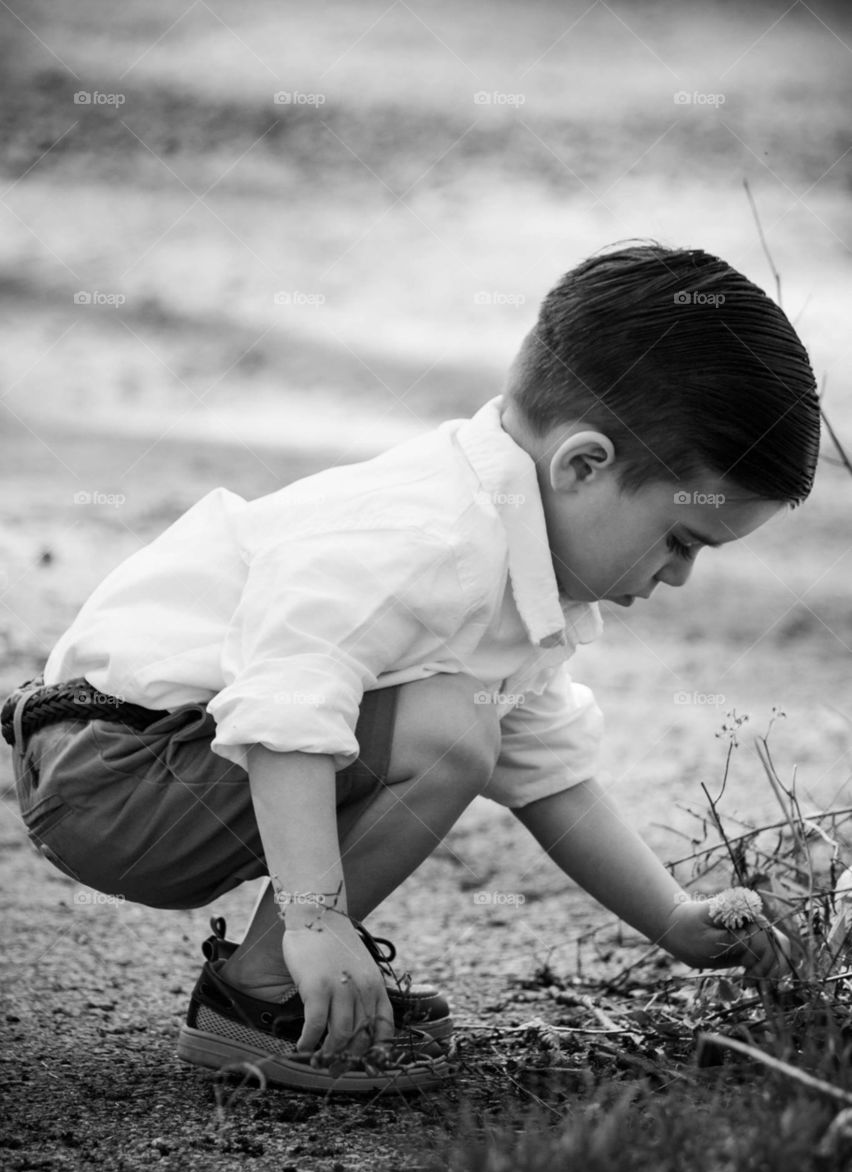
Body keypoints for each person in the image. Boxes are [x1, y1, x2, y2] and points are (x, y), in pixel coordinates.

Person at [3, 243, 817, 1094]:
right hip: (115, 767)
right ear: (583, 465)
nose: (681, 576)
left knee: (464, 722)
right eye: (681, 540)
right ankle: (261, 992)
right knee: (449, 729)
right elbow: (286, 704)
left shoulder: (515, 563)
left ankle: (266, 979)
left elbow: (553, 779)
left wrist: (676, 922)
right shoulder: (430, 537)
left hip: (151, 771)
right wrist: (316, 921)